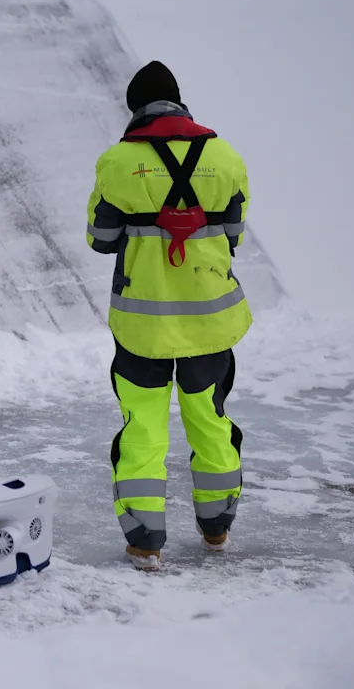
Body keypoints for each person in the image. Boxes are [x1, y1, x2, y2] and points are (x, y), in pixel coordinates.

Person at [85, 60, 252, 570]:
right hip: (209, 322)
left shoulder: (117, 163)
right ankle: (217, 530)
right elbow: (234, 234)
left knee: (143, 428)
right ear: (179, 103)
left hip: (143, 326)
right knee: (211, 422)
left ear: (136, 109)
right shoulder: (225, 157)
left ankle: (144, 542)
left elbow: (101, 239)